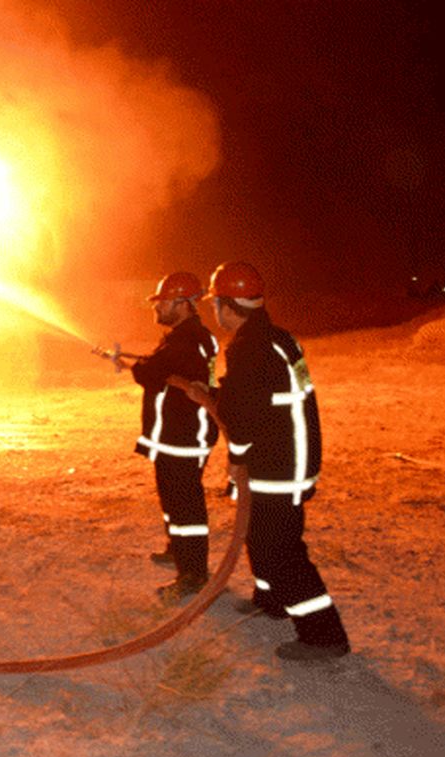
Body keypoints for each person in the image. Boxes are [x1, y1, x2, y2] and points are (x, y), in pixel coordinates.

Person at [206, 260, 350, 661]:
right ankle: (270, 601)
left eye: (216, 303)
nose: (214, 312)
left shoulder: (247, 346)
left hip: (277, 464)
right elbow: (261, 397)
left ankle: (323, 635)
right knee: (260, 535)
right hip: (293, 455)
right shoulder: (279, 339)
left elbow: (244, 416)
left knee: (280, 549)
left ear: (228, 305)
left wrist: (236, 458)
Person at [120, 272, 220, 603]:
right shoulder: (191, 337)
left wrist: (142, 367)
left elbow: (150, 373)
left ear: (181, 304)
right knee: (175, 500)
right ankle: (177, 550)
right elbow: (160, 366)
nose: (156, 308)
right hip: (180, 435)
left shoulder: (184, 341)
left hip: (184, 437)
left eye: (162, 302)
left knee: (185, 507)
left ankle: (192, 574)